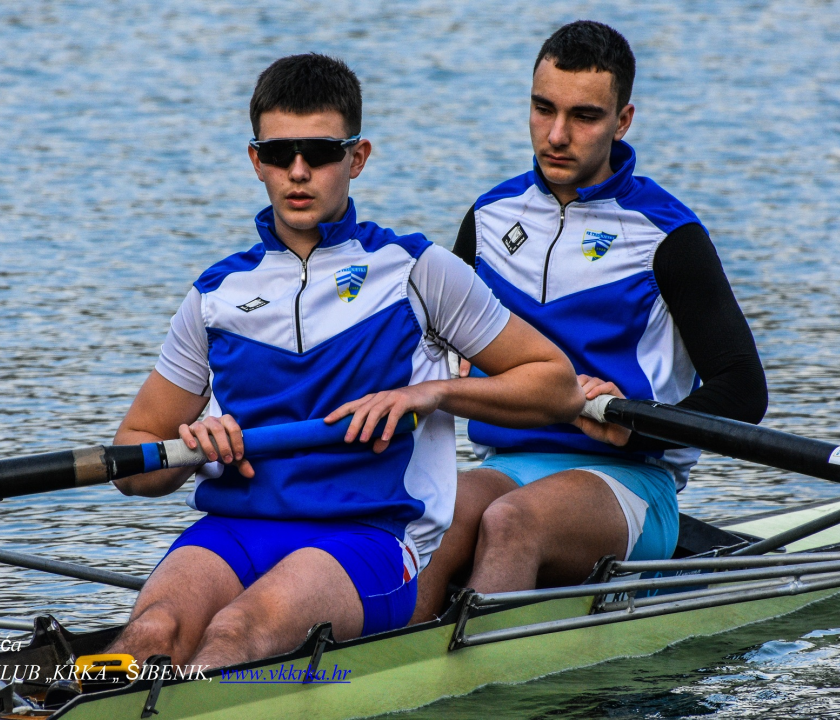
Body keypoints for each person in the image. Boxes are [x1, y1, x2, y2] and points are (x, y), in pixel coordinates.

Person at [106, 53, 581, 670]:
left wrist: (431, 395)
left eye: (321, 153)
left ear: (356, 158)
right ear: (257, 162)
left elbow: (556, 383)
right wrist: (191, 446)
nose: (298, 172)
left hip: (368, 537)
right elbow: (133, 458)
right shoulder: (215, 294)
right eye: (280, 154)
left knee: (235, 634)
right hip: (237, 529)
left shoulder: (418, 272)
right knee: (151, 635)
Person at [412, 21, 767, 617]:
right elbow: (434, 357)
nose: (556, 135)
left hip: (630, 481)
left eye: (584, 117)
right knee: (424, 522)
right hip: (507, 466)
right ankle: (375, 679)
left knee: (509, 524)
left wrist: (640, 426)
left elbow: (743, 392)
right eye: (542, 108)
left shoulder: (669, 236)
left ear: (622, 121)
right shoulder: (490, 217)